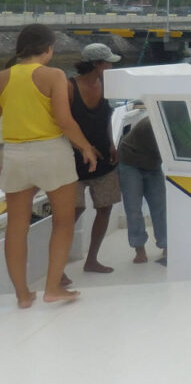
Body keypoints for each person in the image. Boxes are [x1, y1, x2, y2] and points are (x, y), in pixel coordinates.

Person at [0, 24, 99, 307]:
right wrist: (86, 147)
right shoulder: (53, 75)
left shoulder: (3, 77)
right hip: (51, 152)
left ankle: (22, 295)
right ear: (48, 48)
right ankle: (53, 287)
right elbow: (65, 121)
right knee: (63, 222)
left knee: (17, 227)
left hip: (15, 153)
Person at [68, 42, 121, 274]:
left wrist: (111, 143)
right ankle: (57, 268)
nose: (111, 65)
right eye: (108, 62)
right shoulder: (69, 88)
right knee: (73, 212)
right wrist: (85, 147)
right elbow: (62, 124)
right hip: (73, 161)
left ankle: (92, 259)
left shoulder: (106, 85)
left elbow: (107, 118)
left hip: (103, 161)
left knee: (105, 207)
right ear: (97, 64)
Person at [116, 116, 166, 265]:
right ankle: (139, 248)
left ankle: (166, 245)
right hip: (129, 161)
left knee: (161, 206)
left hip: (153, 163)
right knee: (133, 208)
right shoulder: (153, 124)